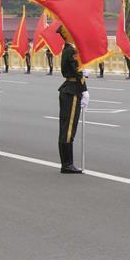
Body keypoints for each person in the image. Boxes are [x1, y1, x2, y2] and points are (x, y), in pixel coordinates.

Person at [56, 25, 86, 174]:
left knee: (65, 126)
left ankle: (66, 163)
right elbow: (77, 72)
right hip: (73, 89)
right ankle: (67, 164)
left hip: (68, 88)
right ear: (66, 34)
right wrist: (85, 90)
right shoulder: (71, 50)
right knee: (68, 128)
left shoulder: (67, 49)